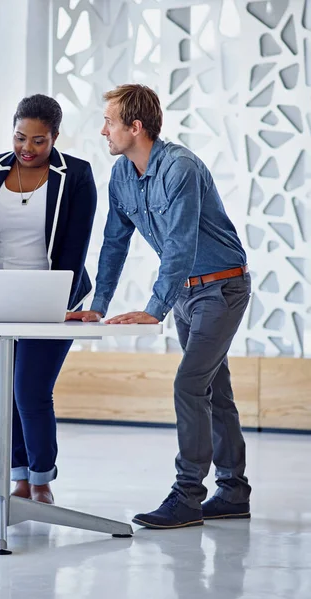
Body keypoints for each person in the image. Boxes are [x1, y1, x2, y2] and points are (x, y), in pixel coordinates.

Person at [68, 84, 252, 528]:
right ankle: (233, 492)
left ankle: (188, 495)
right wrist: (99, 304)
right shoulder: (122, 175)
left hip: (221, 289)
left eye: (109, 121)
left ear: (136, 126)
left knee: (189, 385)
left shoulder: (180, 168)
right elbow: (114, 242)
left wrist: (155, 307)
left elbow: (180, 244)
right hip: (188, 292)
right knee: (213, 391)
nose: (102, 130)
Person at [0, 94, 97, 503]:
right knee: (6, 390)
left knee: (31, 390)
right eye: (21, 137)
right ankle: (19, 478)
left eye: (39, 141)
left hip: (51, 298)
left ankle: (41, 479)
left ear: (55, 137)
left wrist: (62, 301)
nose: (27, 148)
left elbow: (76, 245)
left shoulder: (77, 175)